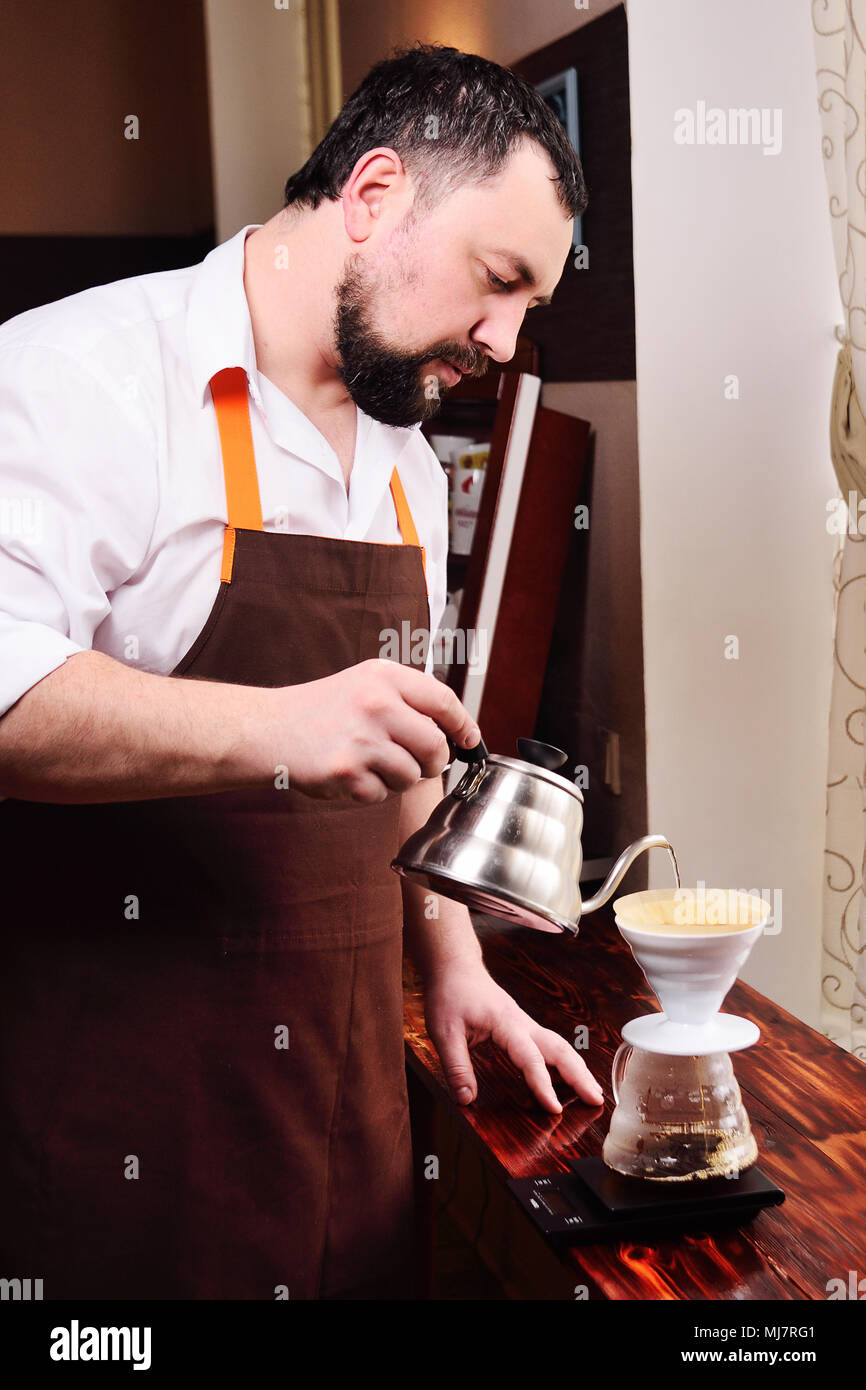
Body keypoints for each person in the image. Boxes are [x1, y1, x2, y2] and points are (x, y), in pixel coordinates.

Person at [0, 42, 601, 1300]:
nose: (500, 339)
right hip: (124, 1121)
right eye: (497, 283)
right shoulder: (76, 374)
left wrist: (453, 962)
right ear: (375, 194)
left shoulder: (408, 462)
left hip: (344, 1107)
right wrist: (275, 727)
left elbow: (403, 750)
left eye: (526, 310)